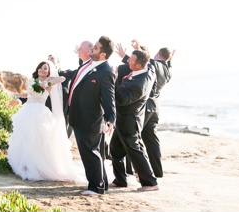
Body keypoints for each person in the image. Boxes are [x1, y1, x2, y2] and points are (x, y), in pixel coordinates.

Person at [7, 60, 83, 182]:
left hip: (39, 112)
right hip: (27, 111)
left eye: (45, 68)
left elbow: (62, 78)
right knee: (25, 138)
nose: (42, 70)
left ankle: (36, 166)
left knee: (37, 139)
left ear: (49, 71)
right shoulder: (32, 81)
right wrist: (18, 101)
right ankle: (25, 163)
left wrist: (47, 82)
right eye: (41, 68)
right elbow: (28, 95)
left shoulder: (49, 83)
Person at [65, 36, 116, 196]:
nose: (92, 48)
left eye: (95, 47)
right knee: (94, 154)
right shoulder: (90, 65)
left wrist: (111, 118)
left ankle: (96, 187)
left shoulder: (106, 72)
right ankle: (102, 184)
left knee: (91, 154)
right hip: (79, 116)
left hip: (90, 119)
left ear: (102, 54)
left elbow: (109, 98)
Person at [115, 40, 173, 178]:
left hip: (142, 106)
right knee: (152, 141)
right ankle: (157, 172)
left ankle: (135, 171)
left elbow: (143, 64)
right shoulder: (168, 70)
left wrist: (132, 51)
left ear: (158, 54)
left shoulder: (154, 64)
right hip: (155, 108)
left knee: (133, 140)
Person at [110, 49, 159, 192]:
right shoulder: (147, 70)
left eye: (131, 60)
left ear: (138, 65)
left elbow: (123, 99)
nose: (128, 61)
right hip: (123, 120)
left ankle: (150, 182)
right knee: (115, 149)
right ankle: (120, 180)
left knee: (135, 152)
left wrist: (114, 79)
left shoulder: (140, 83)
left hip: (129, 122)